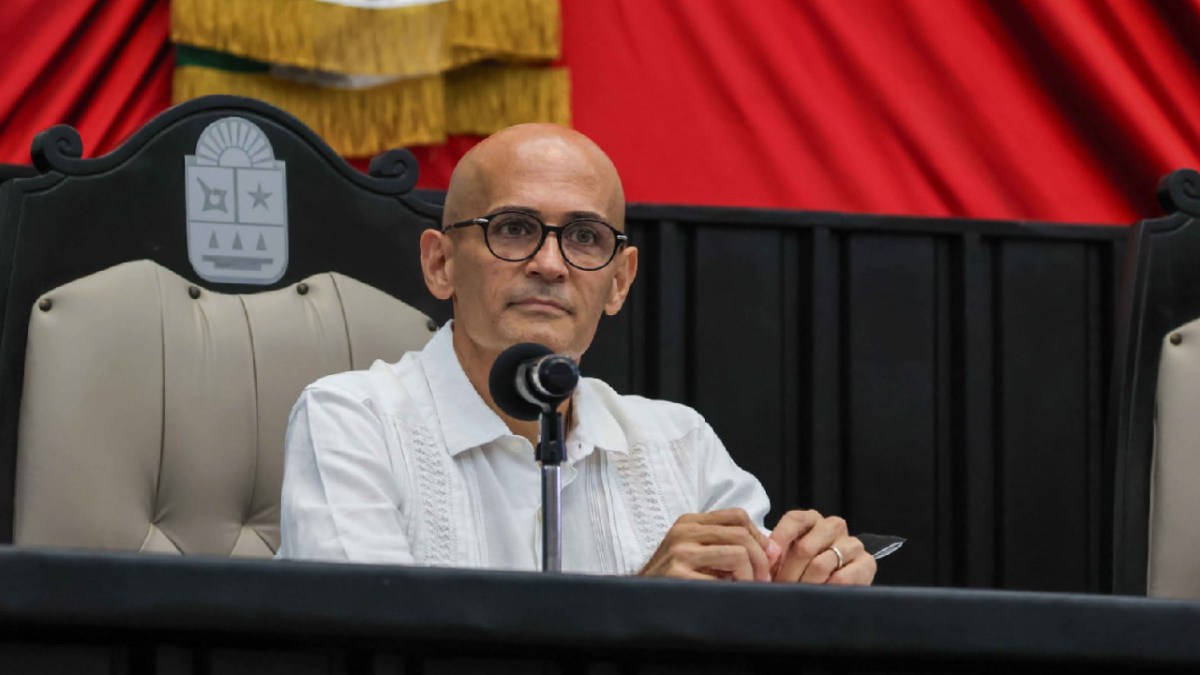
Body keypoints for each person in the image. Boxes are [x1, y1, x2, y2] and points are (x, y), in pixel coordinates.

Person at [277, 123, 876, 585]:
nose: (550, 264)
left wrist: (812, 580)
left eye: (585, 237)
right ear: (440, 263)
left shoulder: (679, 443)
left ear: (618, 282)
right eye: (513, 228)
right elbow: (372, 652)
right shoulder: (353, 421)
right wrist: (638, 611)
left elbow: (759, 627)